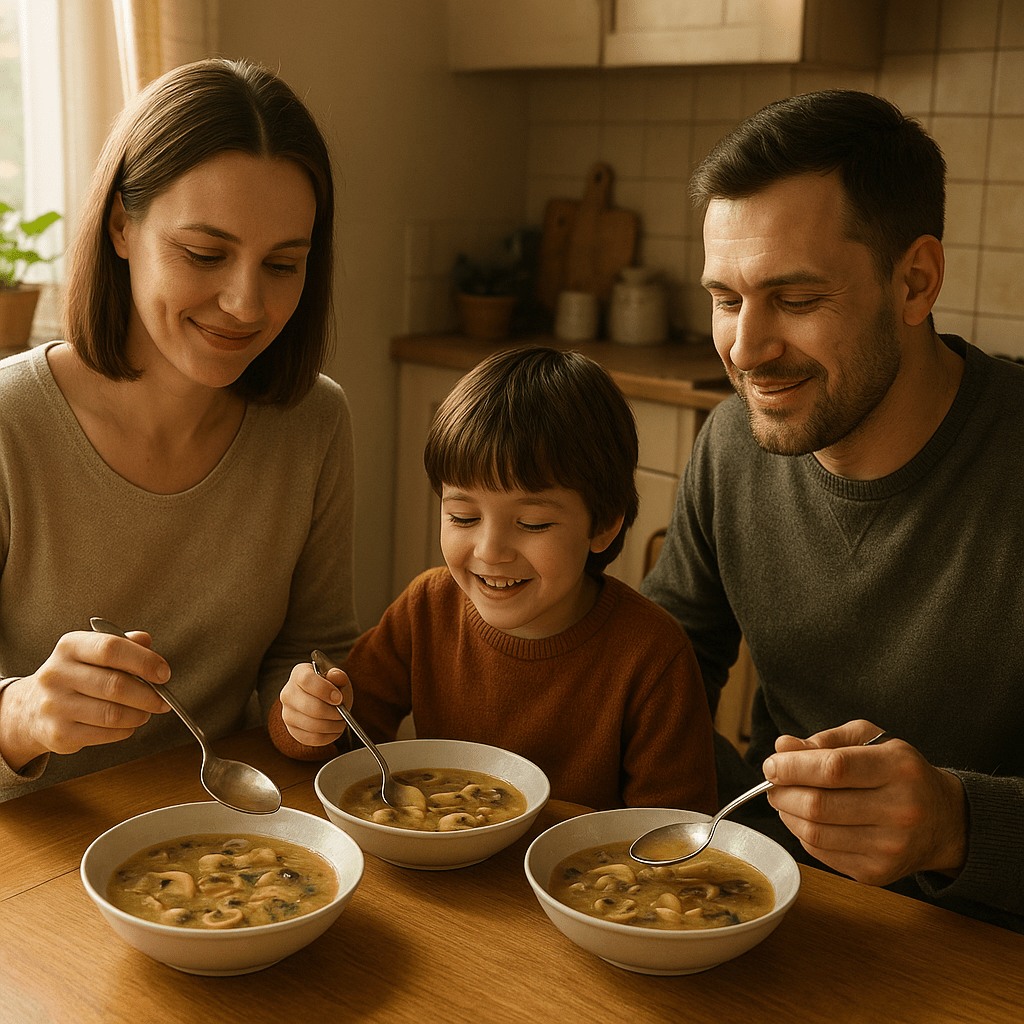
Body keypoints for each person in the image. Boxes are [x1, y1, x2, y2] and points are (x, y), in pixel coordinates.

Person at [641, 89, 1024, 931]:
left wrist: (956, 823)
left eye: (797, 299)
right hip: (774, 899)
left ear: (915, 280)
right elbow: (658, 667)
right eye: (727, 299)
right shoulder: (731, 447)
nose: (745, 351)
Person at [0, 58, 359, 800]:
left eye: (284, 265)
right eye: (205, 254)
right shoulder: (10, 423)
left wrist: (310, 708)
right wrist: (23, 710)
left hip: (224, 842)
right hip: (30, 857)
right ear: (122, 224)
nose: (245, 304)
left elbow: (307, 658)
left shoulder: (315, 423)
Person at [271, 347, 717, 812]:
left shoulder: (652, 654)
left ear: (603, 525)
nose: (490, 551)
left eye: (533, 524)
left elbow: (675, 836)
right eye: (463, 517)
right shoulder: (427, 608)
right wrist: (307, 717)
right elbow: (343, 742)